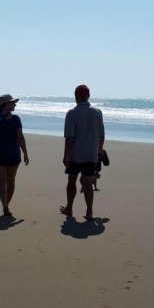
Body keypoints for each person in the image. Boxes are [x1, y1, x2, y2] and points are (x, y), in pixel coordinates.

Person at [61, 85, 105, 220]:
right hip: (90, 154)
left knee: (72, 180)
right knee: (87, 183)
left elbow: (69, 136)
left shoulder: (72, 113)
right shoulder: (97, 112)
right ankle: (89, 212)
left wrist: (66, 155)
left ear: (76, 96)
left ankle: (69, 208)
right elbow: (101, 134)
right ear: (88, 96)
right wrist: (99, 150)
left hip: (75, 154)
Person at [0, 94, 29, 216]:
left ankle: (5, 205)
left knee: (1, 182)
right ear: (6, 104)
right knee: (10, 181)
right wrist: (25, 153)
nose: (15, 104)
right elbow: (20, 137)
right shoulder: (15, 119)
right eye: (12, 102)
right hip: (13, 154)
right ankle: (6, 205)